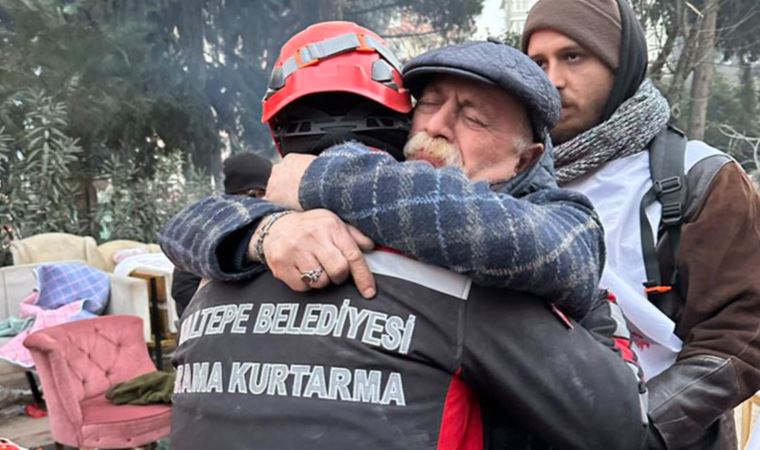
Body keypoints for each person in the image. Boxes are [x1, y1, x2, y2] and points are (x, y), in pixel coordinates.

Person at [170, 30, 647, 450]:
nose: (437, 127)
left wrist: (322, 174)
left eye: (475, 118)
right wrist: (267, 229)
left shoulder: (563, 220)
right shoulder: (369, 207)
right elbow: (184, 228)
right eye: (430, 104)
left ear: (526, 159)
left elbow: (532, 245)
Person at [521, 0, 760, 448]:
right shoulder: (510, 175)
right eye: (538, 62)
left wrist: (641, 426)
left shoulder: (701, 177)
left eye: (573, 56)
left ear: (620, 64)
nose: (552, 80)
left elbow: (741, 336)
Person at [171, 152, 272, 317]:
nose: (263, 201)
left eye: (266, 193)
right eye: (254, 194)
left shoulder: (273, 225)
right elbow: (183, 289)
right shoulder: (206, 229)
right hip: (210, 325)